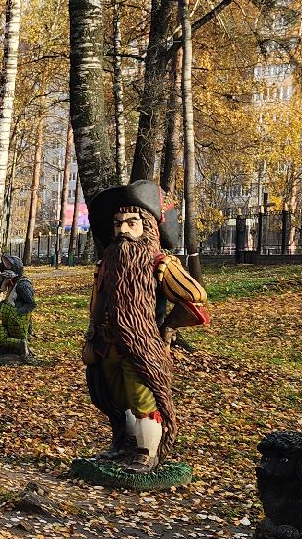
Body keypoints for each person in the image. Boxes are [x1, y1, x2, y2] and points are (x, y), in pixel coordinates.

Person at [81, 181, 209, 472]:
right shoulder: (106, 265)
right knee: (116, 399)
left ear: (147, 226)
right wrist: (92, 331)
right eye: (117, 224)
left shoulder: (160, 264)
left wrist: (169, 327)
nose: (123, 230)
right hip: (106, 345)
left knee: (142, 398)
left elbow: (195, 295)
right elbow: (97, 303)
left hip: (142, 346)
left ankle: (146, 453)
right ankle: (125, 445)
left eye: (131, 223)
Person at [0, 255, 38, 363]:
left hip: (17, 320)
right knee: (3, 338)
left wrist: (17, 313)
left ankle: (22, 347)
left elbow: (31, 303)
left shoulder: (22, 284)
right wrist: (1, 278)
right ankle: (8, 350)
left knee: (8, 339)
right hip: (7, 320)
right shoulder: (10, 281)